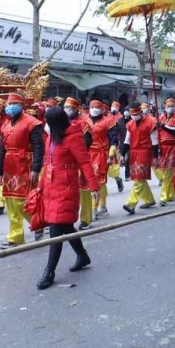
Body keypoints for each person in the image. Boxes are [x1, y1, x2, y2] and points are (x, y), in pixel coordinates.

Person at [36, 106, 99, 290]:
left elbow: (85, 163)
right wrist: (40, 186)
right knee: (66, 226)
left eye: (48, 123)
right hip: (50, 187)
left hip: (66, 189)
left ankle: (49, 271)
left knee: (56, 230)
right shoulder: (51, 138)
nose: (46, 126)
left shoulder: (73, 137)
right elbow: (47, 163)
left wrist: (93, 186)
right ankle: (82, 256)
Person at [0, 92, 44, 249]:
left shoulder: (32, 123)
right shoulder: (5, 125)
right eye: (8, 104)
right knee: (10, 201)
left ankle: (38, 222)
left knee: (21, 201)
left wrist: (36, 168)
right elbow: (1, 149)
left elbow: (39, 147)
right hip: (10, 166)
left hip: (25, 164)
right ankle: (15, 236)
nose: (10, 107)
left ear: (22, 106)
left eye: (13, 104)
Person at [63, 98, 97, 229]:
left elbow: (87, 142)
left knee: (84, 190)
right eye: (65, 107)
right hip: (67, 161)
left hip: (80, 160)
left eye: (69, 108)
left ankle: (86, 219)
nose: (66, 110)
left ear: (76, 109)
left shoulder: (84, 123)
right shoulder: (64, 122)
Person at [121, 101, 159, 213]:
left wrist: (156, 157)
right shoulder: (130, 124)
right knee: (139, 178)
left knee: (139, 178)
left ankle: (131, 203)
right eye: (132, 114)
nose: (134, 116)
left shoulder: (150, 123)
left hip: (145, 152)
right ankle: (149, 199)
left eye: (136, 113)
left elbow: (154, 142)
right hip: (134, 153)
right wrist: (123, 154)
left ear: (141, 112)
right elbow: (126, 141)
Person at [155, 98, 175, 206]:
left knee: (167, 173)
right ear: (164, 106)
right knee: (164, 172)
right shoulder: (161, 117)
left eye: (172, 105)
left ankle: (163, 197)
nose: (170, 107)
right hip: (163, 148)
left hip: (173, 147)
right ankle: (171, 194)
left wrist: (163, 126)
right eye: (168, 106)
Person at [87, 100, 113, 218]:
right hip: (87, 154)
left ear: (102, 109)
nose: (94, 109)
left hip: (100, 154)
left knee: (98, 180)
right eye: (92, 106)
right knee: (89, 181)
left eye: (96, 107)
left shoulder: (108, 121)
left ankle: (93, 209)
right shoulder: (84, 120)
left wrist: (111, 154)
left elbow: (113, 139)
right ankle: (102, 205)